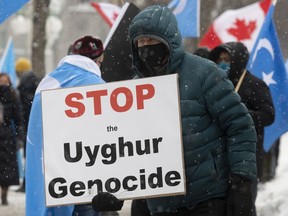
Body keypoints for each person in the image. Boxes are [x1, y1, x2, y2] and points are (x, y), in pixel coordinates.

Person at [92, 5, 258, 216]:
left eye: (151, 41)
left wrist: (241, 181)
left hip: (209, 198)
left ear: (168, 40)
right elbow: (126, 146)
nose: (145, 48)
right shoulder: (132, 91)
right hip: (162, 203)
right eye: (140, 43)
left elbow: (240, 125)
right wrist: (114, 189)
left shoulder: (204, 73)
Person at [26, 35, 106, 216]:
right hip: (87, 180)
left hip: (54, 179)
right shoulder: (97, 85)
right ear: (96, 60)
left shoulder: (48, 81)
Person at [209, 42, 275, 183]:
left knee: (244, 201)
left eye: (227, 59)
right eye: (220, 60)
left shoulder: (253, 84)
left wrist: (241, 116)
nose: (222, 64)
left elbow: (268, 115)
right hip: (221, 160)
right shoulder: (216, 84)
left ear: (238, 60)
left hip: (247, 156)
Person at [15, 57, 40, 193]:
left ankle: (27, 184)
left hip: (28, 126)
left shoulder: (26, 84)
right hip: (31, 125)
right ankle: (27, 183)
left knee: (29, 156)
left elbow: (25, 107)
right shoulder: (33, 82)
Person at [0, 73, 24, 205]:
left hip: (7, 136)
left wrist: (20, 136)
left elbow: (19, 117)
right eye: (1, 81)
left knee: (7, 169)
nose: (3, 83)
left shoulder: (13, 96)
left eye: (5, 81)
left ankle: (4, 194)